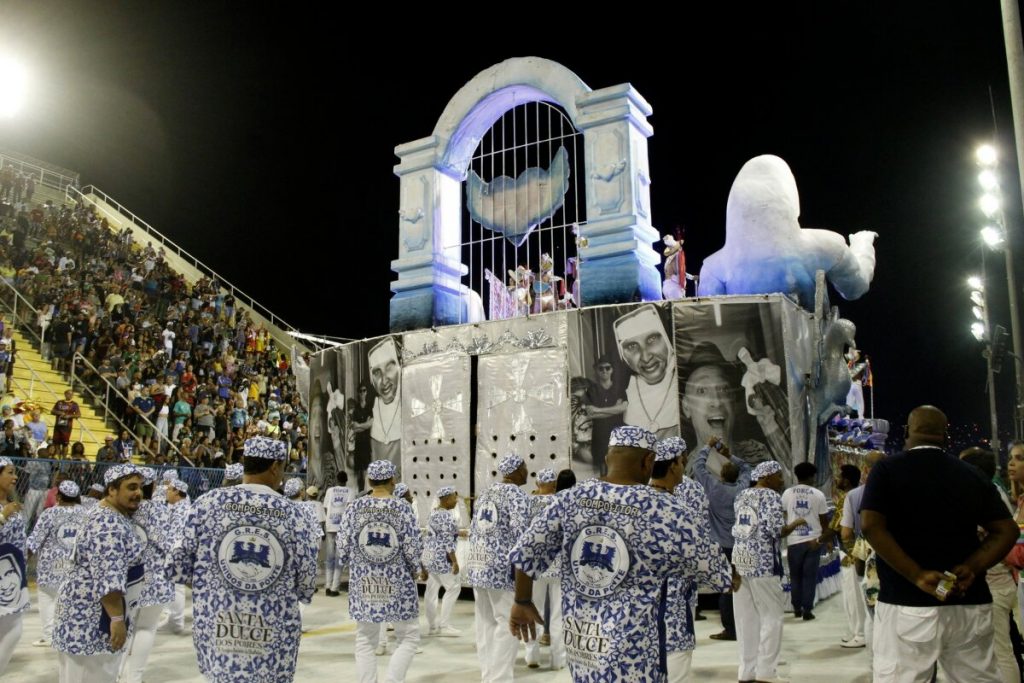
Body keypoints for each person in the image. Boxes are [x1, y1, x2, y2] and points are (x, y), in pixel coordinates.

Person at [508, 426, 726, 682]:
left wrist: (522, 600)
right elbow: (716, 571)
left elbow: (527, 550)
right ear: (648, 461)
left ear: (607, 458)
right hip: (634, 655)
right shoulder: (664, 508)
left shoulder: (569, 499)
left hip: (584, 645)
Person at [861, 405, 1017, 683]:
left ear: (908, 431)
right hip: (967, 600)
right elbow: (1006, 530)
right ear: (945, 434)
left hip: (906, 602)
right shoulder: (971, 474)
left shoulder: (886, 470)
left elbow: (871, 526)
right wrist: (972, 567)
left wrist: (917, 574)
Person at [169, 435, 318, 681]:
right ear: (274, 466)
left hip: (218, 626)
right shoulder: (295, 514)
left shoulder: (207, 504)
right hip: (271, 633)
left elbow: (178, 566)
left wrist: (217, 589)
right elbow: (307, 581)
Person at [52, 464, 146, 683]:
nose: (138, 493)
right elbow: (108, 577)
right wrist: (116, 618)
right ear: (112, 490)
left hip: (86, 619)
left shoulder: (108, 513)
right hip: (93, 622)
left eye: (140, 487)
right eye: (131, 487)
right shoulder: (108, 524)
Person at [651, 436, 733, 682]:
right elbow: (699, 537)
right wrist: (723, 576)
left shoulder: (642, 489)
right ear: (676, 462)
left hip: (648, 585)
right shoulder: (692, 489)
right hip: (680, 579)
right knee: (678, 639)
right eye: (683, 459)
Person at [336, 459, 423, 683]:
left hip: (363, 582)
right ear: (392, 480)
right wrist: (415, 569)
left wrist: (351, 567)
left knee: (365, 638)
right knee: (408, 636)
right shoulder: (402, 507)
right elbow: (412, 545)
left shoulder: (355, 506)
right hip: (398, 582)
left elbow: (342, 546)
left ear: (369, 480)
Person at [732, 460, 808, 683]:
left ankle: (746, 672)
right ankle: (766, 672)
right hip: (763, 563)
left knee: (746, 619)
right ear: (766, 477)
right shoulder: (771, 497)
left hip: (741, 560)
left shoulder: (741, 495)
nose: (782, 480)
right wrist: (796, 523)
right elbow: (777, 530)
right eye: (778, 476)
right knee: (772, 617)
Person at [467, 453, 530, 683]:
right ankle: (500, 679)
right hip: (501, 569)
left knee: (485, 623)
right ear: (514, 470)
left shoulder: (485, 493)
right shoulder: (516, 495)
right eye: (524, 466)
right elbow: (523, 535)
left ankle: (488, 676)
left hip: (478, 563)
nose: (527, 471)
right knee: (508, 623)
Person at [961, 447, 1020, 683]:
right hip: (1004, 582)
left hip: (997, 584)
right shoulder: (993, 491)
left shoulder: (983, 494)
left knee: (1001, 651)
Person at [691, 435, 752, 641]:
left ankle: (730, 629)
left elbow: (698, 468)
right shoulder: (743, 489)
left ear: (721, 475)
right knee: (742, 584)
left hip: (721, 546)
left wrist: (707, 448)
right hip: (741, 544)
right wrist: (729, 455)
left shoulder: (714, 488)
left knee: (726, 587)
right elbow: (747, 469)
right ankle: (744, 624)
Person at [119, 468, 174, 683]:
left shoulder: (120, 511)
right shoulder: (159, 510)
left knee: (124, 628)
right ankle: (133, 678)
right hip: (155, 579)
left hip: (126, 578)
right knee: (146, 629)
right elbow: (167, 544)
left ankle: (116, 674)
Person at [26, 480, 86, 648]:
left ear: (58, 496)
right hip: (75, 566)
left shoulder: (49, 514)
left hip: (50, 567)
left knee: (47, 599)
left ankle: (49, 636)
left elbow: (35, 540)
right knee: (71, 603)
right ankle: (69, 635)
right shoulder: (85, 513)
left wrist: (25, 557)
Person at [612, 305, 679, 438]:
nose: (645, 357)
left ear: (668, 339)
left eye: (652, 339)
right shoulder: (622, 392)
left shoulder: (688, 384)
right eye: (631, 346)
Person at [522, 469, 565, 671]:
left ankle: (532, 655)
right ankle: (558, 659)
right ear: (553, 484)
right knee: (558, 614)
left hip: (536, 566)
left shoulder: (529, 503)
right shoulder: (562, 502)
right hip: (559, 566)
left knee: (534, 611)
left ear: (538, 482)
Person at [780, 461, 831, 621]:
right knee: (809, 576)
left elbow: (783, 516)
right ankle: (807, 609)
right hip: (813, 541)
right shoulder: (818, 495)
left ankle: (796, 608)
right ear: (811, 476)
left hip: (794, 541)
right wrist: (826, 539)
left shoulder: (787, 493)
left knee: (795, 576)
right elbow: (824, 521)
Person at [423, 485, 462, 638]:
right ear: (446, 499)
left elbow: (439, 533)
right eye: (454, 497)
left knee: (431, 591)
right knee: (453, 587)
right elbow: (447, 541)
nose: (456, 500)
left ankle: (432, 626)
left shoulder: (433, 513)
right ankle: (444, 625)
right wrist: (455, 562)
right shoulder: (447, 516)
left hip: (430, 556)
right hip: (442, 557)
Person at [0, 457, 27, 675]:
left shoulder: (13, 504)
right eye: (9, 472)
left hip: (11, 578)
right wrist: (2, 515)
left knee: (14, 630)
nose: (15, 477)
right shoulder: (6, 509)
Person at [583, 355, 626, 477]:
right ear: (596, 370)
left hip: (617, 435)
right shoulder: (591, 390)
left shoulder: (619, 388)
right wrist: (614, 409)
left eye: (607, 368)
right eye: (601, 368)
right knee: (602, 473)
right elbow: (591, 413)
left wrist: (598, 410)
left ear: (612, 370)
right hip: (599, 436)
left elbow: (622, 408)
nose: (604, 371)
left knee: (618, 470)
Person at [368, 339, 402, 476]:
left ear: (399, 367)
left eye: (389, 367)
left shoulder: (409, 404)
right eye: (377, 372)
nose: (384, 380)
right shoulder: (371, 409)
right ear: (371, 379)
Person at [323, 471, 352, 597]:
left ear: (336, 479)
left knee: (329, 558)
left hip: (330, 526)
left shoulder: (330, 491)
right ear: (346, 480)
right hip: (342, 528)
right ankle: (335, 588)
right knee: (339, 559)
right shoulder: (350, 491)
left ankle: (328, 586)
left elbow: (325, 507)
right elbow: (350, 509)